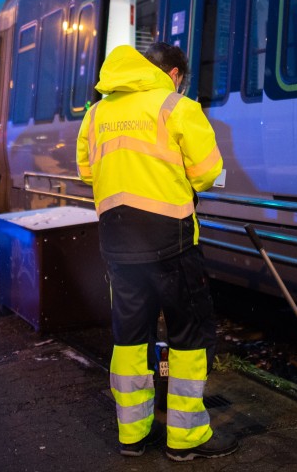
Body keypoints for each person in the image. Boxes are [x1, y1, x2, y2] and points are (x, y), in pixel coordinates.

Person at [76, 42, 237, 461]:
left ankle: (133, 434)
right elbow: (205, 174)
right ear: (175, 74)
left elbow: (86, 171)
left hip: (116, 241)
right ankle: (185, 438)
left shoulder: (96, 113)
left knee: (129, 339)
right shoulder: (175, 106)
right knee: (188, 335)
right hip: (172, 242)